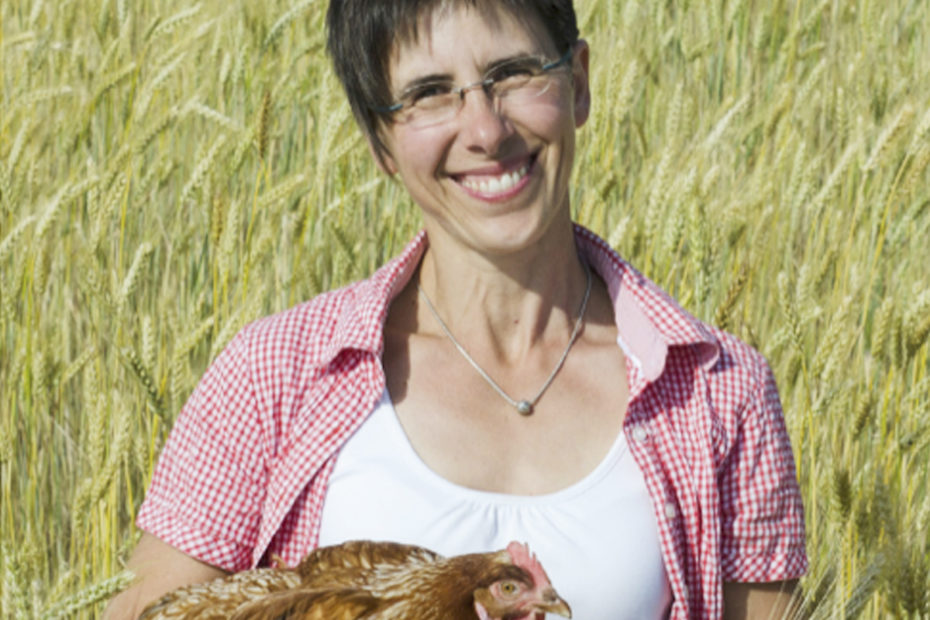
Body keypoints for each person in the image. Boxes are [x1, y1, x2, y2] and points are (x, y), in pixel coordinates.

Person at [106, 1, 808, 618]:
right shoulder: (275, 375)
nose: (483, 129)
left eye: (513, 72)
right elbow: (151, 612)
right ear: (380, 141)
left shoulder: (719, 393)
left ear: (580, 82)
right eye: (429, 93)